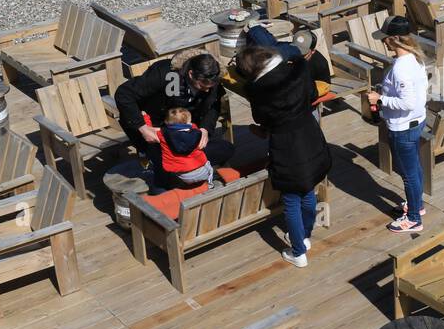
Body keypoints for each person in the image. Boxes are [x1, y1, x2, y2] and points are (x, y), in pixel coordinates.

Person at [231, 44, 332, 267]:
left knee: (292, 200)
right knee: (308, 190)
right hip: (310, 136)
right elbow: (307, 81)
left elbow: (261, 119)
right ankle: (305, 236)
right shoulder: (299, 70)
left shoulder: (258, 90)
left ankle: (298, 252)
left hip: (286, 147)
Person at [115, 52, 233, 187]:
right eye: (202, 86)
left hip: (187, 131)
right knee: (163, 172)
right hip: (156, 130)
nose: (206, 91)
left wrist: (205, 128)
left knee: (226, 149)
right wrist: (143, 127)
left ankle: (184, 171)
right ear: (190, 74)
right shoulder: (164, 73)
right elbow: (124, 94)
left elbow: (214, 105)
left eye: (210, 88)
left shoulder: (211, 80)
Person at [366, 16, 428, 233]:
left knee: (408, 173)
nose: (382, 42)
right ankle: (416, 206)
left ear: (393, 39)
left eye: (384, 38)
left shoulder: (401, 68)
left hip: (403, 127)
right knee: (414, 169)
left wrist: (379, 99)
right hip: (417, 121)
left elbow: (407, 102)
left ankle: (413, 219)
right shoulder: (416, 57)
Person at [149, 107, 213, 189]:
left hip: (183, 176)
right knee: (207, 161)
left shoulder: (162, 135)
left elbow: (150, 130)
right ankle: (210, 183)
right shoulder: (196, 131)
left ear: (166, 122)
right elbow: (192, 126)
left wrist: (145, 117)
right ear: (188, 121)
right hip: (203, 172)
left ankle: (171, 186)